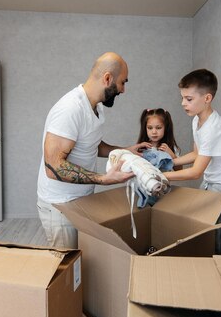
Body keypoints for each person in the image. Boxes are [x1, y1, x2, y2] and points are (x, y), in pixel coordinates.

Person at [37, 52, 151, 249]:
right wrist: (103, 179)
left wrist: (126, 150)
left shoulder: (96, 107)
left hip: (81, 200)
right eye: (123, 82)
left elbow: (93, 144)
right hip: (60, 206)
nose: (123, 90)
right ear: (107, 78)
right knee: (66, 267)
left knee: (83, 261)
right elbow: (53, 166)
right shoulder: (70, 109)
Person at [163, 69, 221, 253]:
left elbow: (195, 172)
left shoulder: (213, 129)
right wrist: (170, 163)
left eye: (189, 99)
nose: (183, 103)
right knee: (196, 224)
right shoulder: (197, 120)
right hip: (210, 182)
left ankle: (211, 268)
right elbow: (196, 153)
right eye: (182, 98)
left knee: (209, 232)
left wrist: (160, 175)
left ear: (207, 98)